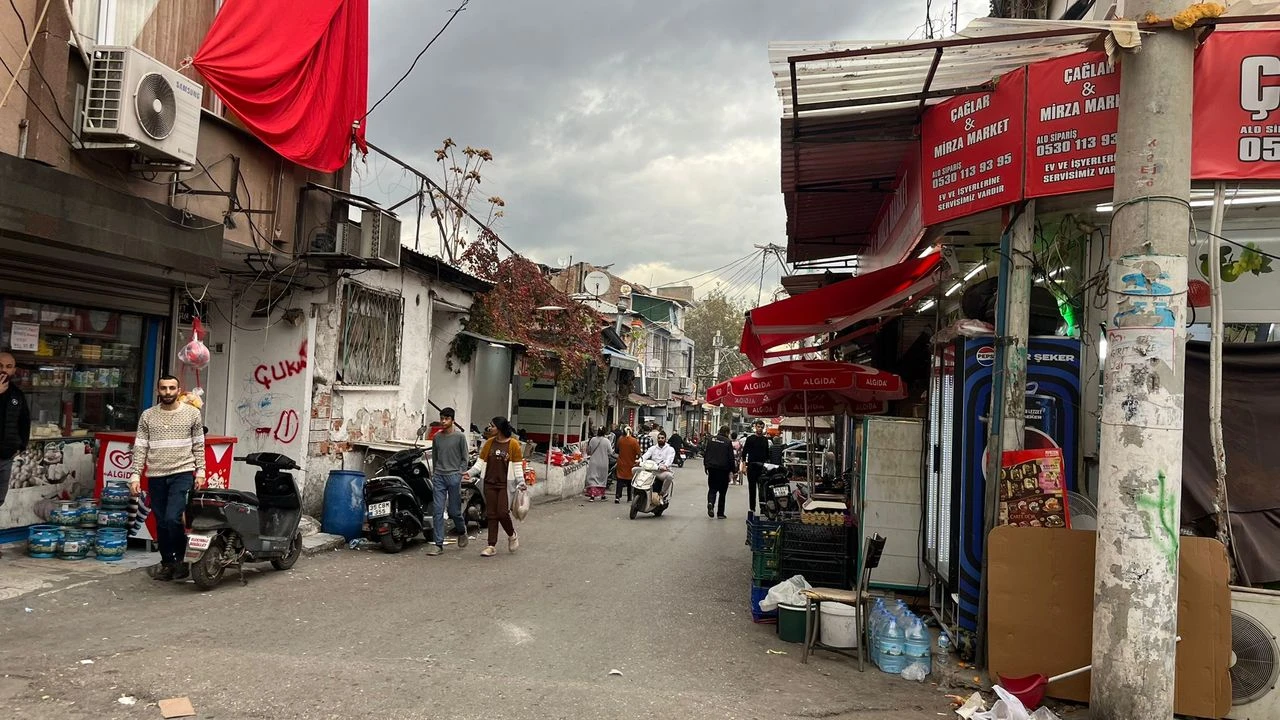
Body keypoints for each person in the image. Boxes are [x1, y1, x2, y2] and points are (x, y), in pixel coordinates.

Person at [128, 375, 205, 581]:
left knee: (173, 518)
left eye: (172, 388)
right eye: (163, 388)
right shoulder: (148, 416)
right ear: (157, 391)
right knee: (161, 521)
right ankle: (168, 563)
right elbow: (140, 447)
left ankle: (180, 559)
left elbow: (199, 444)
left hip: (182, 472)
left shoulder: (192, 414)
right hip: (156, 475)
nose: (168, 392)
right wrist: (135, 475)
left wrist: (201, 471)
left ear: (178, 390)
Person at [468, 417, 524, 557]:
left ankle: (512, 535)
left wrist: (521, 482)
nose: (489, 428)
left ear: (499, 428)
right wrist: (468, 473)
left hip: (505, 485)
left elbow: (517, 466)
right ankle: (491, 545)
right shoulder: (488, 444)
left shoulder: (513, 445)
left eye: (491, 426)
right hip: (489, 483)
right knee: (491, 514)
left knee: (503, 512)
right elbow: (479, 464)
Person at [426, 407, 470, 556]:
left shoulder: (460, 437)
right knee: (437, 511)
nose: (443, 421)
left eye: (446, 419)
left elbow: (465, 458)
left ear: (453, 420)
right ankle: (438, 544)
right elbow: (435, 457)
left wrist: (459, 473)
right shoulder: (437, 437)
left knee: (454, 511)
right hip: (439, 476)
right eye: (442, 418)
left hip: (453, 476)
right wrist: (435, 473)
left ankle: (462, 530)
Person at [0, 352, 31, 559]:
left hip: (5, 456)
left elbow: (24, 421)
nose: (4, 370)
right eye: (1, 365)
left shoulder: (16, 395)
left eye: (9, 366)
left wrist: (21, 445)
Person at [703, 426, 735, 519]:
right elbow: (731, 457)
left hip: (712, 468)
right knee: (722, 492)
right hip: (723, 470)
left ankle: (710, 503)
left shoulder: (711, 439)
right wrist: (733, 470)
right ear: (727, 432)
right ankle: (720, 513)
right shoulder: (728, 442)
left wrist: (706, 465)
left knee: (712, 489)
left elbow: (706, 453)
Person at [743, 420, 771, 514]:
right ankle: (752, 508)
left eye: (761, 427)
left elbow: (767, 455)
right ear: (755, 427)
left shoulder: (765, 440)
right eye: (758, 427)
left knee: (762, 489)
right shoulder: (750, 439)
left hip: (761, 467)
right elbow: (744, 452)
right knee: (752, 489)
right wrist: (743, 465)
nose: (760, 429)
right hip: (751, 466)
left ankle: (763, 508)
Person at [639, 430, 675, 503]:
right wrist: (639, 460)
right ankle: (639, 492)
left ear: (665, 439)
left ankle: (662, 494)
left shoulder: (670, 449)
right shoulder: (653, 448)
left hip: (662, 472)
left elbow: (669, 459)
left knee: (669, 476)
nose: (660, 439)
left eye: (662, 438)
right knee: (635, 470)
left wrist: (665, 466)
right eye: (659, 438)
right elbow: (646, 455)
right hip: (652, 470)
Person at [584, 427, 613, 501]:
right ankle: (602, 495)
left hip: (594, 461)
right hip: (603, 462)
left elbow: (589, 450)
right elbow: (610, 452)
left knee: (593, 477)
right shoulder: (606, 441)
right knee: (602, 478)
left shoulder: (593, 439)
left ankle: (592, 495)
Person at [614, 427, 641, 503]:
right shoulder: (634, 441)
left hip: (621, 462)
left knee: (620, 480)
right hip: (631, 463)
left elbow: (617, 450)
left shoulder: (620, 439)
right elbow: (638, 452)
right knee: (630, 481)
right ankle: (629, 497)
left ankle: (617, 496)